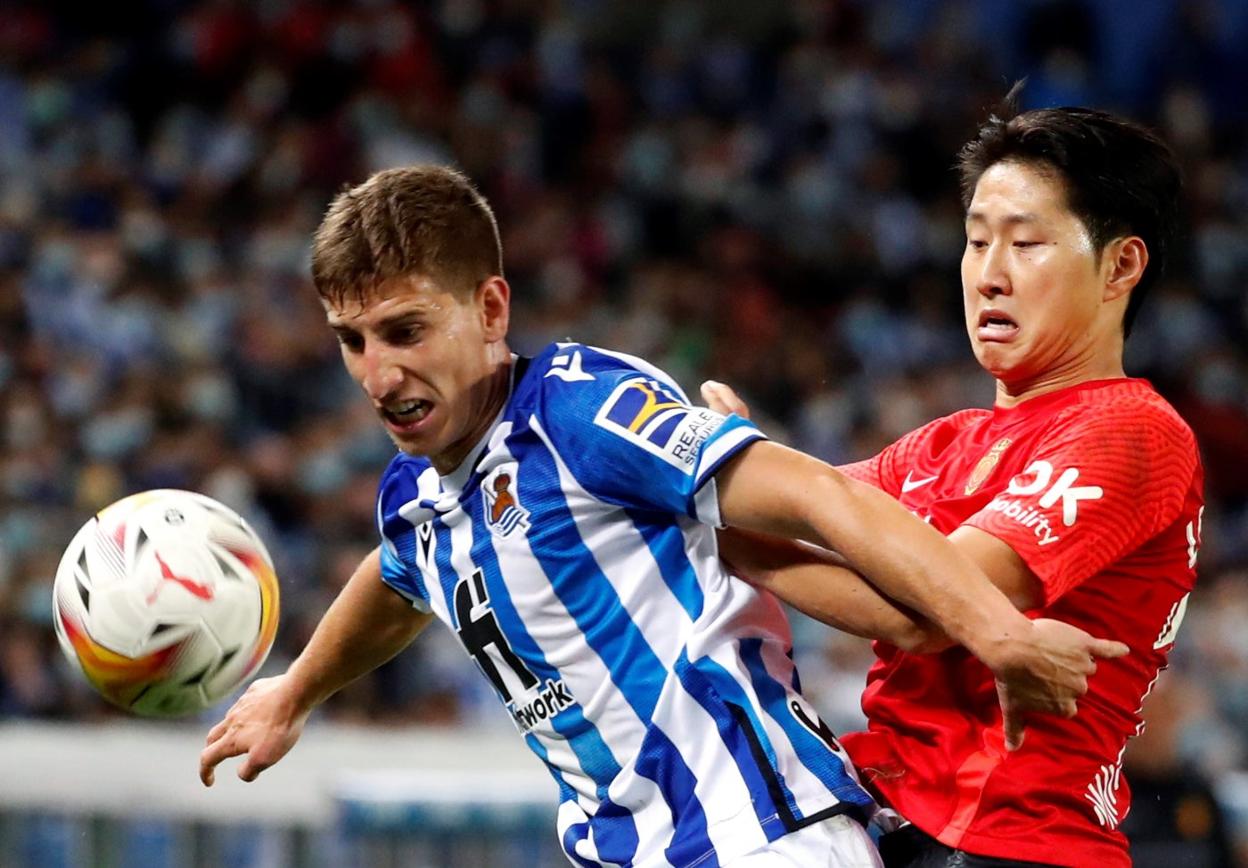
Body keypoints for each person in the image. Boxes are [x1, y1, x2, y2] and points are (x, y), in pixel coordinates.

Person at [198, 165, 1125, 867]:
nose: (376, 373)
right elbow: (400, 576)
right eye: (351, 341)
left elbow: (815, 493)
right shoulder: (419, 493)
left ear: (489, 309)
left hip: (757, 838)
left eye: (405, 331)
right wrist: (295, 693)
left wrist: (998, 633)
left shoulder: (580, 414)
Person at [704, 101, 1203, 868]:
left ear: (1121, 266)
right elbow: (792, 505)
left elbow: (932, 610)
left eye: (1027, 243)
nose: (990, 275)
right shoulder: (942, 445)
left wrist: (735, 534)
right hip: (900, 828)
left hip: (1010, 845)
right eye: (975, 242)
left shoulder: (1131, 430)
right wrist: (721, 476)